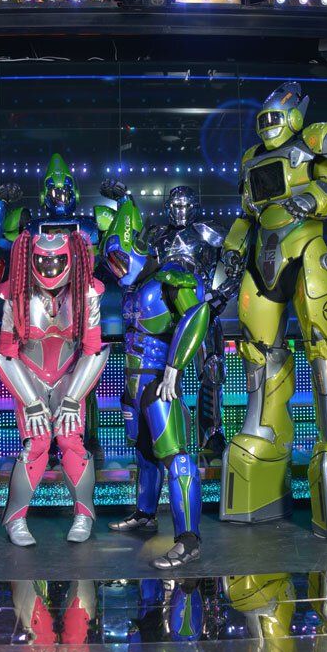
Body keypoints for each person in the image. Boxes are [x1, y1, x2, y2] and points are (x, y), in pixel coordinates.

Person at [220, 81, 327, 538]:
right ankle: (264, 435)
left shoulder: (314, 140)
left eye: (276, 116)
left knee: (325, 352)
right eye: (263, 118)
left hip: (306, 253)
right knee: (259, 356)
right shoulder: (252, 159)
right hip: (261, 262)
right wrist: (231, 252)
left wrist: (315, 197)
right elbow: (246, 215)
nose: (269, 124)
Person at [99, 192, 209, 569]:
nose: (117, 269)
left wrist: (175, 367)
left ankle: (189, 539)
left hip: (161, 383)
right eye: (111, 263)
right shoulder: (133, 288)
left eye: (120, 258)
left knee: (175, 457)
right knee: (145, 454)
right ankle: (145, 514)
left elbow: (197, 316)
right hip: (134, 383)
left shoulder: (171, 277)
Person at [0, 229, 109, 546]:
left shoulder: (87, 293)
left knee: (72, 442)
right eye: (43, 262)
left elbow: (93, 349)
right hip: (28, 377)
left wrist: (72, 398)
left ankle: (84, 514)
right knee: (37, 444)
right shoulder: (16, 294)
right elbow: (6, 352)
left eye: (57, 262)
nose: (50, 269)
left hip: (70, 377)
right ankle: (15, 519)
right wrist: (30, 400)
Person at [145, 185, 239, 461]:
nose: (180, 211)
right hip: (163, 313)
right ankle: (168, 434)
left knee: (212, 370)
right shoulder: (157, 236)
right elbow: (141, 273)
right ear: (167, 208)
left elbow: (237, 265)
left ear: (194, 207)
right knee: (161, 376)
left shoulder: (207, 231)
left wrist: (221, 295)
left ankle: (211, 433)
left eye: (185, 205)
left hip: (200, 309)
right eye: (175, 206)